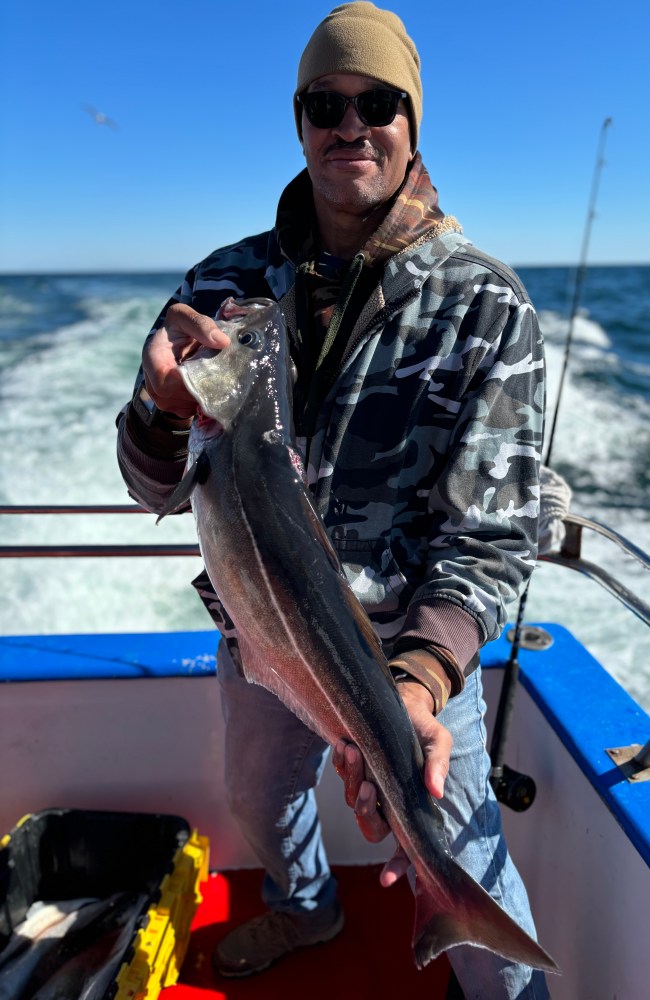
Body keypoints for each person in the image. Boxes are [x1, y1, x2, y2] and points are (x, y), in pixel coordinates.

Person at [116, 4, 548, 997]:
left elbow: (492, 530)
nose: (350, 124)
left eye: (378, 103)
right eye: (325, 102)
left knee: (464, 851)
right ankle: (308, 907)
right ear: (300, 120)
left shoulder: (485, 303)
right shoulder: (221, 291)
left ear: (413, 124)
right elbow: (147, 485)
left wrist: (424, 678)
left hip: (400, 650)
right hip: (260, 630)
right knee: (258, 799)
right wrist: (159, 407)